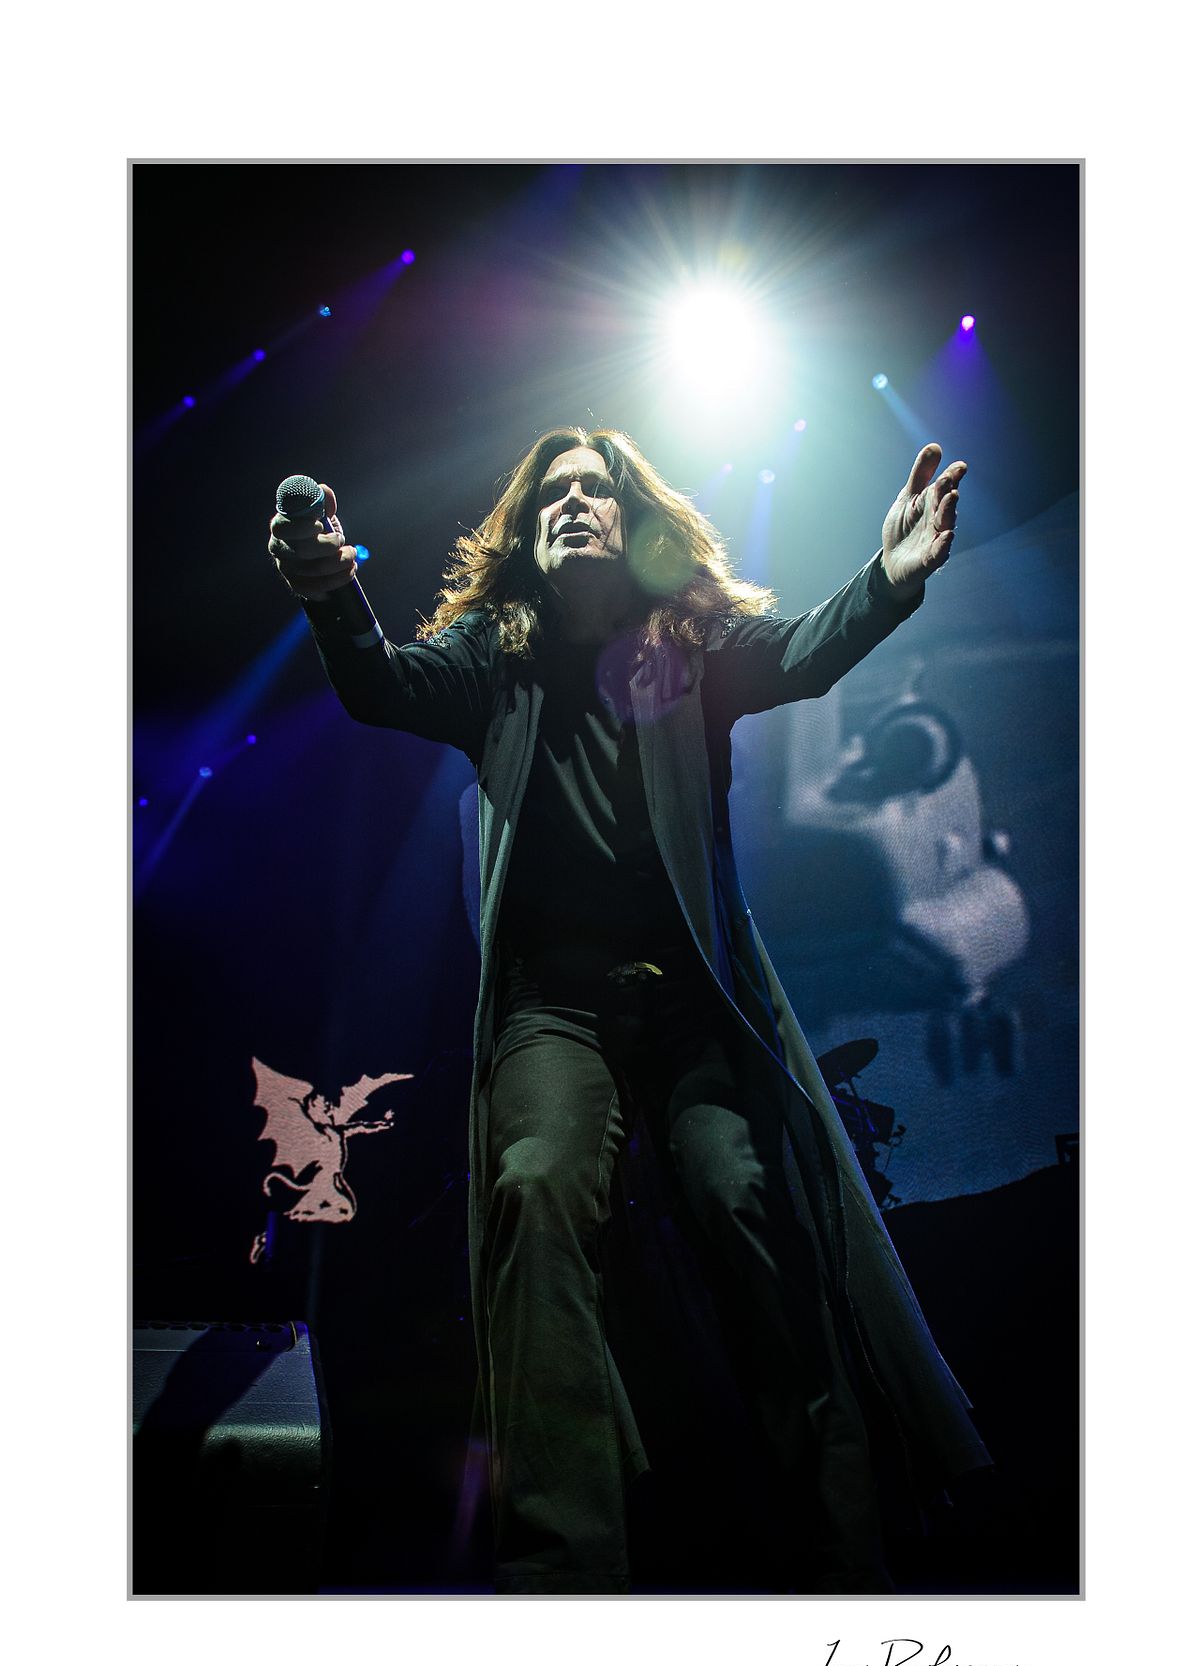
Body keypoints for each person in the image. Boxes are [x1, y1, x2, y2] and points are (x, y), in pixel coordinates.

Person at [268, 428, 990, 1594]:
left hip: (694, 1004)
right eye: (551, 492)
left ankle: (845, 1560)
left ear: (632, 520)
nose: (572, 503)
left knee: (755, 1201)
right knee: (535, 1182)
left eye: (595, 489)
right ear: (525, 530)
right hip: (557, 1009)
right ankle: (563, 1572)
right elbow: (382, 684)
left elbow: (801, 651)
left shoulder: (692, 641)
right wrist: (332, 592)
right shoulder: (489, 651)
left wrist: (890, 582)